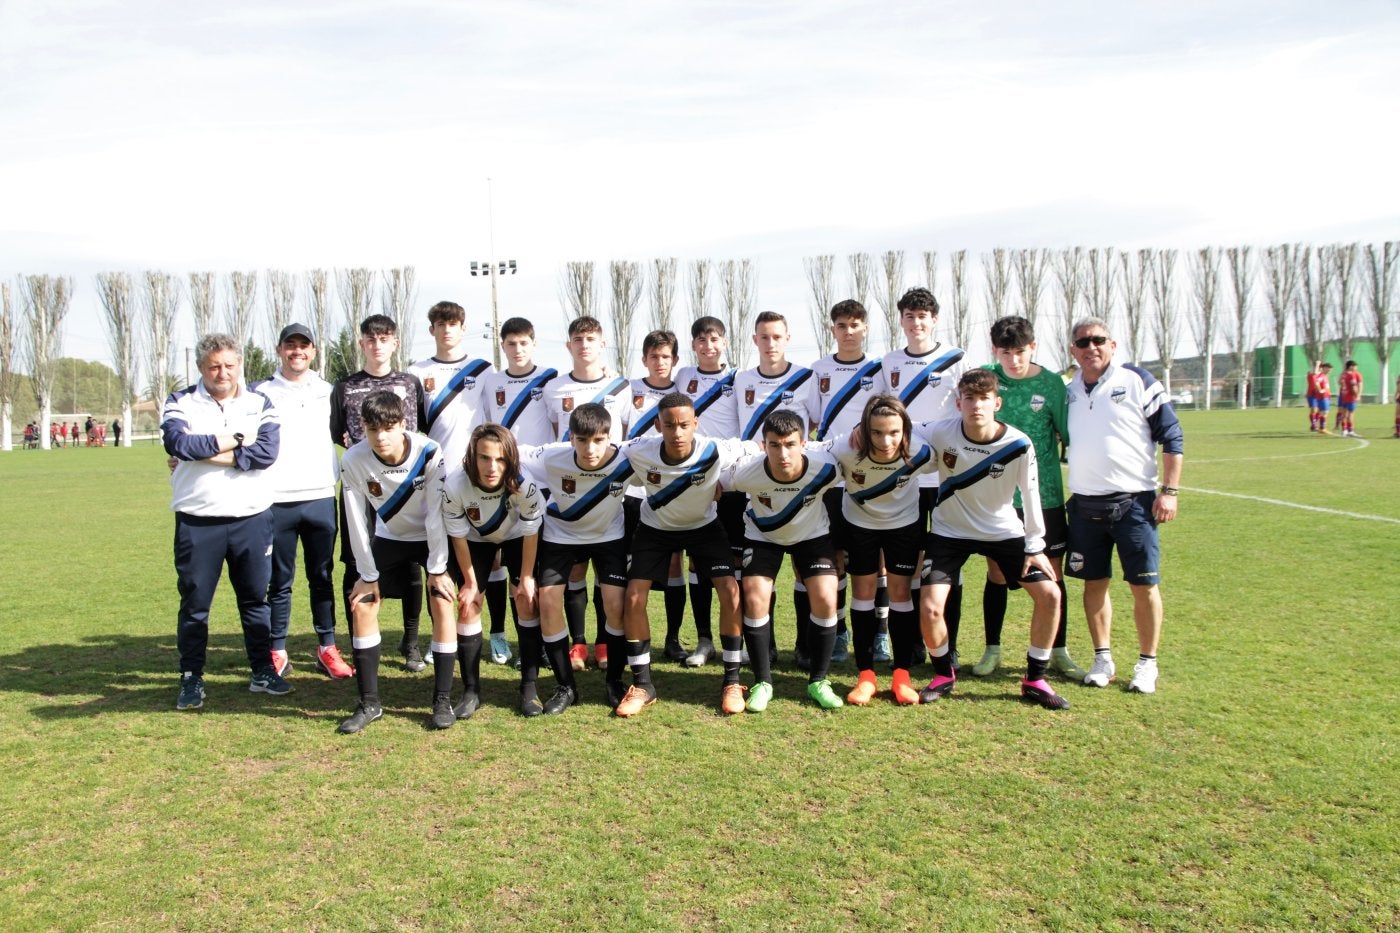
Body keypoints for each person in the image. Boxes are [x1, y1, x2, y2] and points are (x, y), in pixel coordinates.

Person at [916, 369, 1070, 710]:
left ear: (997, 403)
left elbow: (1030, 494)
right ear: (958, 403)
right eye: (969, 398)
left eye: (984, 398)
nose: (976, 405)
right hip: (948, 532)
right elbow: (902, 430)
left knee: (1050, 595)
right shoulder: (940, 430)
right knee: (930, 606)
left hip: (1003, 532)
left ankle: (1035, 679)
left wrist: (1035, 545)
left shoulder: (1018, 444)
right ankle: (943, 674)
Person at [161, 332, 285, 710]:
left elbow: (266, 453)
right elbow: (179, 445)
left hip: (252, 518)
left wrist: (207, 451)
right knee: (196, 605)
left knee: (255, 601)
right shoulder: (180, 401)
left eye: (230, 365)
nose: (223, 373)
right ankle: (191, 677)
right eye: (214, 366)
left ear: (239, 365)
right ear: (201, 366)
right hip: (198, 521)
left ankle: (262, 671)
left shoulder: (259, 402)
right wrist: (237, 438)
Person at [1064, 317, 1184, 695]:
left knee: (1143, 585)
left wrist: (1170, 491)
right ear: (1073, 351)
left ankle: (1147, 663)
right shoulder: (1069, 390)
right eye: (1083, 343)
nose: (1091, 347)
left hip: (1134, 504)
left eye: (1098, 340)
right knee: (1093, 584)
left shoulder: (1137, 380)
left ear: (1112, 345)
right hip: (1085, 506)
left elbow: (1172, 436)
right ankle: (1103, 658)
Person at [615, 392, 753, 716]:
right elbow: (601, 455)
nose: (677, 432)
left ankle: (732, 681)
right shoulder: (638, 449)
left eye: (684, 425)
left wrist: (724, 480)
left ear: (695, 424)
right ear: (657, 425)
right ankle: (643, 685)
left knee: (730, 591)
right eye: (669, 425)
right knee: (633, 597)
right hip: (655, 529)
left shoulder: (714, 449)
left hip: (704, 527)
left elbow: (756, 448)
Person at [336, 391, 457, 733]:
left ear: (403, 424)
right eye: (372, 429)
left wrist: (437, 569)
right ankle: (369, 704)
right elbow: (355, 519)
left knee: (443, 601)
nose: (380, 437)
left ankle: (442, 700)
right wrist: (366, 574)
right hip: (390, 538)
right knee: (362, 605)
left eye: (388, 428)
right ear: (363, 428)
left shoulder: (428, 451)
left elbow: (435, 513)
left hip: (431, 537)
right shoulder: (354, 458)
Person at [973, 316, 1085, 680]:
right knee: (996, 573)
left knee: (1052, 573)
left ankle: (1059, 651)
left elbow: (1069, 434)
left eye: (1020, 352)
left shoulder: (1051, 384)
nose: (1013, 360)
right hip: (998, 498)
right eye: (1005, 353)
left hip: (1045, 495)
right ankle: (992, 649)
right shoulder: (987, 379)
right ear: (995, 350)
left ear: (1032, 347)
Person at [250, 323, 353, 681]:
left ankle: (327, 647)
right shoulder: (259, 391)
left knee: (321, 577)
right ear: (279, 350)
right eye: (290, 345)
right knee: (279, 580)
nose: (297, 351)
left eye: (304, 345)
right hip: (275, 499)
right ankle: (277, 650)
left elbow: (347, 435)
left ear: (313, 352)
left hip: (320, 496)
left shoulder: (328, 390)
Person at [722, 408, 845, 709]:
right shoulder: (745, 471)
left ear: (804, 443)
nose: (783, 453)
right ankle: (763, 682)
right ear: (764, 445)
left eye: (790, 444)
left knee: (827, 596)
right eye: (774, 445)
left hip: (812, 535)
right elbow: (714, 485)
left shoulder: (827, 467)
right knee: (754, 596)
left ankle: (819, 681)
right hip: (763, 537)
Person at [329, 314, 430, 672]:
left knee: (412, 562)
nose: (377, 345)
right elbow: (338, 432)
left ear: (394, 343)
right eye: (370, 339)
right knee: (355, 561)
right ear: (362, 344)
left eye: (384, 338)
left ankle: (411, 642)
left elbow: (421, 428)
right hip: (362, 485)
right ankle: (358, 636)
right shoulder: (345, 386)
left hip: (404, 488)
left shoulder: (409, 383)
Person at [521, 403, 635, 709]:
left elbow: (664, 463)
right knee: (547, 603)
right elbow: (510, 454)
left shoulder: (627, 458)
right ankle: (566, 687)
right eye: (582, 440)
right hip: (560, 536)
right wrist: (518, 485)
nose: (590, 449)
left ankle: (614, 681)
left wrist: (716, 482)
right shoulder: (551, 456)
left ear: (609, 437)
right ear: (570, 437)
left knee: (616, 605)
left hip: (608, 536)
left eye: (598, 440)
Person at [828, 394, 937, 706]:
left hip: (904, 525)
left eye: (894, 432)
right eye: (876, 432)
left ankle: (902, 675)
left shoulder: (921, 449)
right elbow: (811, 453)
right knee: (862, 593)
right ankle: (866, 676)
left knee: (901, 594)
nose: (886, 441)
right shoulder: (845, 447)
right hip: (859, 525)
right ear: (864, 429)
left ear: (905, 429)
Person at [879, 287, 968, 668]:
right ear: (901, 320)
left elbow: (967, 412)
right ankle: (913, 643)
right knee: (907, 565)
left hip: (947, 478)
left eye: (923, 316)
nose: (916, 323)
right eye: (910, 316)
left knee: (949, 566)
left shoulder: (957, 359)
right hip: (908, 479)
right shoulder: (889, 362)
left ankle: (950, 644)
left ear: (934, 320)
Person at [443, 424, 553, 716]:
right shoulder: (455, 484)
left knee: (526, 601)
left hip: (517, 537)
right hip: (475, 539)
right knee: (468, 604)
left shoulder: (524, 483)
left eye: (501, 459)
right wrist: (470, 583)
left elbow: (531, 531)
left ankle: (529, 688)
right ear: (472, 456)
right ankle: (470, 692)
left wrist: (526, 578)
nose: (492, 467)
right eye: (484, 458)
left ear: (511, 459)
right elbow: (457, 535)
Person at [409, 300, 499, 660]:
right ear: (432, 330)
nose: (447, 330)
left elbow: (495, 419)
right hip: (436, 477)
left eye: (453, 323)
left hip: (479, 477)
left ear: (463, 328)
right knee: (440, 558)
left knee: (490, 558)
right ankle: (442, 635)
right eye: (440, 324)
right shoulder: (417, 371)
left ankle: (498, 633)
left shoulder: (484, 369)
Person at [544, 316, 629, 672]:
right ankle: (578, 643)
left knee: (608, 581)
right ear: (569, 345)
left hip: (608, 496)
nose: (584, 345)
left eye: (591, 338)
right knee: (575, 573)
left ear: (602, 343)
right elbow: (554, 437)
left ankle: (605, 642)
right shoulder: (553, 387)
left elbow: (625, 437)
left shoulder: (621, 386)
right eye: (578, 339)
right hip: (569, 493)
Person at [734, 310, 818, 668]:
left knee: (802, 570)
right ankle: (764, 646)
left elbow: (816, 426)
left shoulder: (806, 378)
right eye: (764, 337)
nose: (771, 343)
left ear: (787, 339)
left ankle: (804, 645)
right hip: (756, 484)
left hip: (796, 485)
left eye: (777, 337)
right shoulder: (741, 379)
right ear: (755, 340)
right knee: (759, 575)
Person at [481, 316, 560, 666]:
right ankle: (510, 638)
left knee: (534, 568)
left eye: (523, 343)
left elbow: (558, 428)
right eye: (511, 344)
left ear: (533, 343)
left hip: (539, 486)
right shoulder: (492, 381)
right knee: (506, 563)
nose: (517, 349)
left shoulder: (550, 378)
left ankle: (540, 643)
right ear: (503, 346)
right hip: (501, 483)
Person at [809, 298, 882, 669]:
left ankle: (881, 633)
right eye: (841, 325)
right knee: (835, 557)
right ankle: (838, 632)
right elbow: (809, 418)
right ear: (832, 329)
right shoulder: (819, 369)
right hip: (833, 480)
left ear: (864, 328)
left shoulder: (880, 369)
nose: (848, 332)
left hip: (872, 477)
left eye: (855, 325)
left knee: (876, 560)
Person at [672, 315, 739, 667]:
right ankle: (704, 641)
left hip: (729, 482)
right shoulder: (684, 376)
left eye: (714, 339)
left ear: (724, 342)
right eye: (701, 339)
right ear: (693, 344)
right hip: (694, 482)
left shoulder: (739, 379)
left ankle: (739, 638)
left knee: (734, 565)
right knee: (698, 563)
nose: (708, 346)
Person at [623, 330, 691, 663]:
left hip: (670, 491)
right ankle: (631, 636)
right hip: (633, 492)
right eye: (654, 356)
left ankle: (673, 638)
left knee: (675, 564)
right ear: (644, 359)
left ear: (675, 360)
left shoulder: (683, 393)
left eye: (665, 356)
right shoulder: (628, 389)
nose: (660, 362)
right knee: (632, 568)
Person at [1338, 360, 1363, 437]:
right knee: (1350, 414)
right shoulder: (1351, 375)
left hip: (1344, 396)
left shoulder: (1343, 375)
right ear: (1351, 366)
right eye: (1355, 366)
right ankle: (1350, 431)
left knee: (1344, 414)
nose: (1356, 368)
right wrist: (1357, 395)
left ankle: (1344, 430)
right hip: (1350, 397)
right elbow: (1353, 387)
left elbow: (1339, 382)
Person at [1310, 362, 1333, 434]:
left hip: (1326, 396)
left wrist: (1329, 393)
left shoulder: (1325, 376)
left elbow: (1326, 387)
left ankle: (1321, 427)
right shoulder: (1321, 376)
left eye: (1330, 369)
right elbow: (1316, 382)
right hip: (1323, 397)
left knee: (1324, 412)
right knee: (1324, 412)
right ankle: (1322, 428)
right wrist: (1320, 390)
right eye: (1328, 369)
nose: (1330, 370)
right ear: (1324, 368)